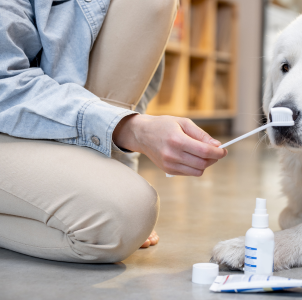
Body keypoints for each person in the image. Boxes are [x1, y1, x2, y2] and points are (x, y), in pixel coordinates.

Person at [0, 0, 226, 262]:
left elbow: (128, 89)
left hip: (51, 129)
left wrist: (120, 165)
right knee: (120, 222)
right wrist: (129, 128)